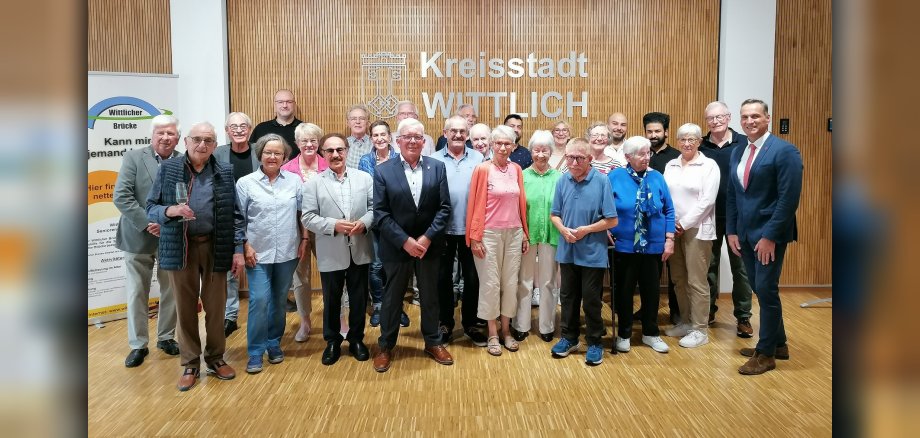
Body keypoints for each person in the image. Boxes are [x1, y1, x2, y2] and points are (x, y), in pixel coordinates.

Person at [146, 121, 245, 391]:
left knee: (216, 308)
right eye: (197, 139)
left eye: (209, 140)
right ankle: (190, 362)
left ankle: (215, 357)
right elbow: (151, 208)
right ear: (186, 141)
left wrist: (238, 251)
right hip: (181, 246)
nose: (203, 145)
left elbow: (236, 215)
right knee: (185, 307)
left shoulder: (224, 170)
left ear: (215, 145)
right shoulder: (168, 169)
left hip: (215, 246)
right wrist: (170, 212)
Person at [727, 99, 803, 375]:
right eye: (745, 116)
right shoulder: (739, 151)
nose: (749, 121)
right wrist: (732, 230)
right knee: (760, 289)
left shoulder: (784, 152)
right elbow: (734, 194)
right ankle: (778, 343)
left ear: (767, 118)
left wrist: (770, 235)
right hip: (745, 235)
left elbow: (788, 199)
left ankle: (766, 353)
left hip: (769, 235)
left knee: (767, 290)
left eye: (755, 116)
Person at [372, 118, 453, 372]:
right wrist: (405, 241)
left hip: (429, 245)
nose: (413, 141)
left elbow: (444, 208)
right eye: (407, 137)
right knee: (392, 298)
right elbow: (381, 214)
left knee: (430, 297)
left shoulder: (437, 167)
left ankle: (433, 342)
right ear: (398, 141)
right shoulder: (384, 170)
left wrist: (426, 238)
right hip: (397, 247)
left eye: (418, 137)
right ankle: (385, 345)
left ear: (424, 141)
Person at [114, 114, 181, 368]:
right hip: (138, 236)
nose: (165, 137)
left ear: (177, 137)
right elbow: (122, 197)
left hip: (170, 237)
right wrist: (148, 222)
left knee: (171, 291)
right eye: (161, 133)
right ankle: (137, 345)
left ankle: (166, 337)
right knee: (137, 293)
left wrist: (166, 224)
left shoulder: (183, 160)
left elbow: (186, 197)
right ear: (152, 135)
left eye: (171, 133)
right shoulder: (134, 157)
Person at [303, 133, 375, 365]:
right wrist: (334, 225)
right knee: (331, 299)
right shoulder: (314, 183)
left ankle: (356, 339)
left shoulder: (364, 178)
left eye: (339, 150)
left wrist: (364, 223)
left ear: (346, 150)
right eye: (330, 151)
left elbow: (375, 207)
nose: (335, 155)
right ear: (323, 154)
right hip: (330, 249)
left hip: (360, 247)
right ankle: (332, 341)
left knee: (358, 298)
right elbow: (308, 217)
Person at [236, 134, 303, 374]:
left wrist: (304, 239)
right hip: (257, 252)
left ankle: (273, 342)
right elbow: (238, 219)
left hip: (287, 250)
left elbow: (301, 213)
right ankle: (255, 351)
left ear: (285, 157)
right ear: (260, 155)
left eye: (277, 153)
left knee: (279, 300)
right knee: (260, 300)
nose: (272, 157)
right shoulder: (246, 183)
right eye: (267, 152)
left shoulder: (294, 181)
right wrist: (244, 245)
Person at [548, 137, 618, 365]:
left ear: (589, 159)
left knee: (590, 300)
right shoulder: (562, 181)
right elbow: (554, 214)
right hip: (567, 250)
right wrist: (562, 229)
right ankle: (569, 338)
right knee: (568, 297)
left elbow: (612, 220)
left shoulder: (601, 181)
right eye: (570, 157)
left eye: (579, 158)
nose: (574, 162)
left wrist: (586, 230)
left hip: (592, 252)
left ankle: (595, 341)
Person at [465, 125, 530, 356]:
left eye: (507, 143)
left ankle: (506, 330)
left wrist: (524, 232)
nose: (503, 147)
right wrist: (475, 237)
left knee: (510, 284)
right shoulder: (482, 170)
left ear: (514, 146)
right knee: (491, 284)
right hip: (488, 235)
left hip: (513, 233)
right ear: (492, 145)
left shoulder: (517, 169)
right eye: (499, 143)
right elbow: (473, 205)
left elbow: (520, 205)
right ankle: (492, 332)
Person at [608, 136, 675, 355]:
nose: (647, 157)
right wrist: (607, 229)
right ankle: (624, 333)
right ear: (628, 157)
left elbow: (669, 210)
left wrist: (669, 239)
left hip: (653, 246)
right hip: (624, 245)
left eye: (648, 153)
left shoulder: (657, 177)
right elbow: (604, 207)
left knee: (652, 291)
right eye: (641, 154)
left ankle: (650, 333)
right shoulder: (615, 177)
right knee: (624, 292)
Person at [429, 116, 487, 347]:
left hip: (470, 229)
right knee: (442, 278)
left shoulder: (478, 158)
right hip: (442, 229)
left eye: (462, 131)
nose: (458, 135)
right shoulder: (432, 159)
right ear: (445, 133)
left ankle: (471, 323)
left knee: (472, 278)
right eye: (453, 131)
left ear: (467, 133)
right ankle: (445, 323)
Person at [662, 123, 720, 348]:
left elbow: (707, 200)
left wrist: (684, 224)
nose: (687, 143)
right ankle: (686, 322)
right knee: (679, 278)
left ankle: (700, 329)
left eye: (691, 139)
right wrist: (671, 225)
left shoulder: (708, 165)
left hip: (697, 229)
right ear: (677, 141)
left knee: (697, 281)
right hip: (672, 229)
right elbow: (666, 196)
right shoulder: (671, 165)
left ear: (699, 142)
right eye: (683, 139)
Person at [699, 101, 754, 337]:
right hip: (709, 215)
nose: (715, 121)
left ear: (729, 117)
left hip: (738, 217)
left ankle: (743, 316)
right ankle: (708, 311)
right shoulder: (700, 145)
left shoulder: (744, 143)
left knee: (740, 268)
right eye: (710, 118)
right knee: (708, 266)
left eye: (719, 117)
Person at [358, 120, 410, 329]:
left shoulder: (400, 158)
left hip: (397, 222)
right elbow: (365, 190)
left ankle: (397, 307)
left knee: (397, 266)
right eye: (375, 135)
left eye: (383, 135)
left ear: (390, 137)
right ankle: (379, 305)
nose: (379, 138)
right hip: (374, 222)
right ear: (371, 138)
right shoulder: (365, 160)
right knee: (376, 265)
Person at [280, 122, 329, 342]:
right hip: (296, 231)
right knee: (300, 278)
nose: (309, 144)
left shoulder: (328, 165)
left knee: (333, 274)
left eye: (313, 140)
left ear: (318, 143)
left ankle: (339, 318)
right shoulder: (286, 169)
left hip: (324, 228)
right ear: (297, 143)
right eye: (304, 141)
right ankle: (305, 322)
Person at [214, 112, 260, 338]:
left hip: (257, 218)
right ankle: (230, 316)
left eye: (243, 126)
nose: (239, 130)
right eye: (234, 126)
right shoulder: (217, 154)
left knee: (259, 265)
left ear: (250, 130)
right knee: (230, 270)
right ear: (227, 130)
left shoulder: (259, 152)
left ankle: (263, 311)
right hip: (227, 218)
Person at [515, 130, 562, 343]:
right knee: (524, 281)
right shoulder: (522, 176)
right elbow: (516, 208)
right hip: (526, 235)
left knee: (548, 282)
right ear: (531, 151)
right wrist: (522, 233)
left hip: (551, 235)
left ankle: (546, 326)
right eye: (536, 150)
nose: (540, 154)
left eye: (545, 150)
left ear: (551, 152)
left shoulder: (560, 178)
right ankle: (521, 325)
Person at [643, 111, 680, 322]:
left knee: (674, 273)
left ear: (666, 132)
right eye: (649, 131)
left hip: (670, 221)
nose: (653, 135)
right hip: (645, 226)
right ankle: (649, 312)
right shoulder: (641, 154)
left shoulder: (675, 156)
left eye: (657, 131)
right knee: (650, 275)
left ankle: (676, 313)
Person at [250, 89, 302, 160]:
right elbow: (253, 156)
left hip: (297, 171)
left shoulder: (304, 129)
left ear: (294, 104)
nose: (284, 105)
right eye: (280, 102)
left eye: (289, 102)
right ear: (275, 105)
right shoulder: (261, 128)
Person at [345, 105, 372, 169]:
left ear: (367, 123)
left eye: (362, 118)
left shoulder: (375, 143)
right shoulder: (343, 144)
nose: (357, 122)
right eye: (353, 119)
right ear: (348, 123)